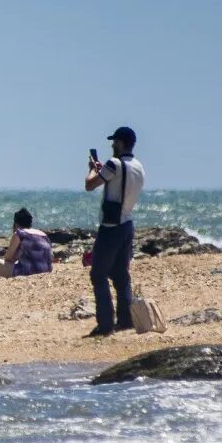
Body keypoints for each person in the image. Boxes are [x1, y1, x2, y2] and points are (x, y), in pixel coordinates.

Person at [83, 126, 146, 336]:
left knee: (98, 274)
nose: (111, 145)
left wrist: (93, 169)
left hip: (111, 226)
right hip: (127, 224)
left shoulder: (114, 163)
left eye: (114, 142)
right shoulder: (138, 166)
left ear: (121, 143)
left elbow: (90, 185)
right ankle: (126, 319)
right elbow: (119, 183)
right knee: (120, 274)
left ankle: (105, 323)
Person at [0, 207, 53, 281]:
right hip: (46, 271)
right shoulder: (43, 234)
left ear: (16, 224)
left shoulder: (19, 233)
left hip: (30, 272)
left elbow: (8, 257)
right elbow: (50, 256)